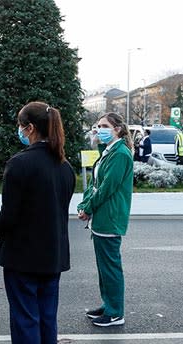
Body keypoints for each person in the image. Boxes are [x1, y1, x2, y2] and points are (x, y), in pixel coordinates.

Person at [0, 102, 75, 344]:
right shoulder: (63, 166)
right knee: (46, 322)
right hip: (52, 256)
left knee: (26, 322)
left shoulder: (20, 164)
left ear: (29, 128)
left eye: (20, 125)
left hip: (23, 256)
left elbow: (9, 215)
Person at [77, 112, 134, 327]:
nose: (98, 129)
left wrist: (89, 208)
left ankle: (115, 313)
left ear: (117, 129)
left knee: (110, 267)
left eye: (103, 126)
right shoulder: (109, 151)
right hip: (102, 217)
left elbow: (106, 188)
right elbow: (94, 184)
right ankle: (108, 304)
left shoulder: (120, 154)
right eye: (97, 125)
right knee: (104, 267)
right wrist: (85, 205)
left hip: (110, 217)